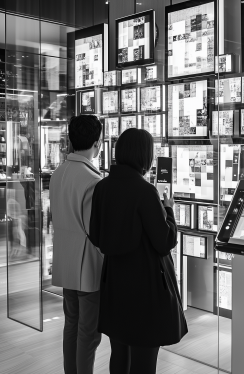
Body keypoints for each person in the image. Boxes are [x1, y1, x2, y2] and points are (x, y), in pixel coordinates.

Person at [89, 128, 188, 374]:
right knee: (144, 360)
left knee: (119, 355)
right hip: (145, 288)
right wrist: (169, 209)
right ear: (144, 155)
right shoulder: (145, 191)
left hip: (114, 283)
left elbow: (96, 235)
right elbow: (165, 241)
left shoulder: (103, 187)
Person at [50, 115, 103, 374]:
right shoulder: (93, 179)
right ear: (98, 143)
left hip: (65, 262)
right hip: (87, 265)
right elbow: (96, 231)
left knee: (71, 323)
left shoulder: (58, 172)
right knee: (89, 333)